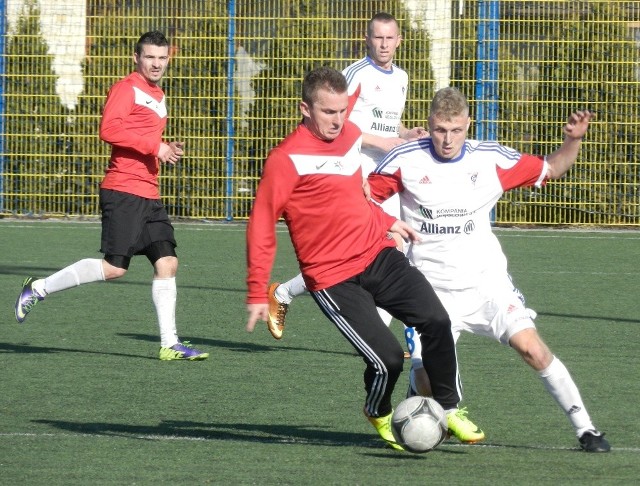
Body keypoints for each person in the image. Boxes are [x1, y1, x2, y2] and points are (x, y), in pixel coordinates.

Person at [245, 66, 482, 450]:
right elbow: (260, 226)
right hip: (333, 277)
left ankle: (449, 407)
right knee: (387, 358)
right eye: (328, 112)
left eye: (342, 111)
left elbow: (355, 196)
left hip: (377, 253)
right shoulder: (285, 160)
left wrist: (386, 220)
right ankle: (378, 410)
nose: (338, 121)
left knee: (436, 321)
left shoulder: (350, 135)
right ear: (305, 109)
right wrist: (257, 290)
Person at [366, 86, 610, 452]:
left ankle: (586, 429)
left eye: (456, 130)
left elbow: (554, 167)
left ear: (468, 125)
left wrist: (572, 141)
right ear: (429, 125)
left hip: (486, 285)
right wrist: (383, 224)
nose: (447, 140)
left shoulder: (490, 159)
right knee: (427, 377)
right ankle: (425, 398)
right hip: (429, 293)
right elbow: (361, 198)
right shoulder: (405, 159)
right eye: (439, 130)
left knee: (533, 350)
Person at [14, 31, 208, 362]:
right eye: (150, 57)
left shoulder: (158, 94)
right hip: (123, 191)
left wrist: (165, 148)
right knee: (114, 268)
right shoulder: (126, 87)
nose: (157, 63)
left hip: (149, 194)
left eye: (162, 57)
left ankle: (169, 343)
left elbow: (144, 135)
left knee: (167, 262)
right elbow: (109, 129)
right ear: (137, 58)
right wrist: (155, 147)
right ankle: (39, 289)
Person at [267, 12, 428, 340]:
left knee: (391, 249)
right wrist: (383, 142)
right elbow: (341, 127)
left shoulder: (401, 77)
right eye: (377, 37)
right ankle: (286, 293)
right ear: (367, 40)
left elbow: (387, 122)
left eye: (389, 38)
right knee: (353, 252)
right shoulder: (354, 76)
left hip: (386, 172)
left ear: (399, 41)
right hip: (356, 172)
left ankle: (288, 294)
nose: (383, 44)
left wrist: (406, 133)